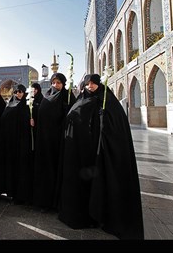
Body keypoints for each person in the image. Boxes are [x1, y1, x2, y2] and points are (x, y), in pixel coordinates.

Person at [58, 74, 144, 240]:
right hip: (82, 156)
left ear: (99, 84)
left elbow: (117, 129)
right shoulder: (80, 100)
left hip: (100, 157)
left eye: (93, 84)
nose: (90, 87)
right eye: (87, 84)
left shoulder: (109, 103)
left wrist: (104, 125)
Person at [33, 73, 76, 211]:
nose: (55, 85)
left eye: (58, 83)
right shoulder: (47, 96)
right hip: (45, 140)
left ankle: (58, 202)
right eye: (53, 82)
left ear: (63, 84)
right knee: (46, 170)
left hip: (59, 141)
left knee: (58, 170)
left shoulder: (67, 97)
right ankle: (45, 201)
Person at [0, 84, 33, 204]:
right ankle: (11, 192)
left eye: (21, 92)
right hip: (10, 144)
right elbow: (3, 121)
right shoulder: (9, 105)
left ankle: (21, 194)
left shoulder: (28, 106)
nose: (18, 94)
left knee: (21, 168)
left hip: (22, 144)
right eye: (16, 92)